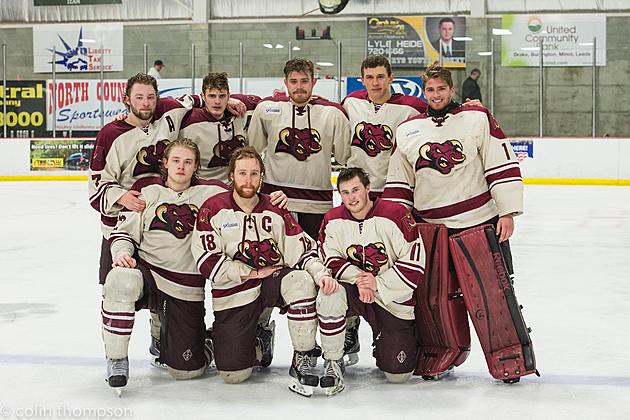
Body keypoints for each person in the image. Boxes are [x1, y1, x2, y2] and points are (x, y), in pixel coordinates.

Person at [102, 138, 288, 389]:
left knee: (187, 371)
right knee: (119, 280)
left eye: (188, 162)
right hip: (149, 272)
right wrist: (122, 253)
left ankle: (218, 342)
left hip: (186, 289)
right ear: (165, 163)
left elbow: (248, 192)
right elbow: (123, 232)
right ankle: (116, 359)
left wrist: (273, 198)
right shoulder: (147, 193)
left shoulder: (213, 194)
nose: (181, 167)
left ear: (196, 167)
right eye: (176, 161)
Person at [89, 73, 246, 366]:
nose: (146, 103)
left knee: (168, 284)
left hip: (169, 220)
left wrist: (233, 101)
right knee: (120, 287)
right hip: (130, 221)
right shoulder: (111, 134)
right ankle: (116, 356)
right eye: (139, 97)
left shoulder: (170, 113)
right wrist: (120, 197)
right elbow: (95, 188)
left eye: (151, 97)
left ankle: (162, 333)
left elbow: (201, 99)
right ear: (126, 99)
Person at [191, 146, 339, 397]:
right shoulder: (213, 208)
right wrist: (249, 273)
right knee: (233, 375)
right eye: (242, 174)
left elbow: (301, 249)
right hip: (234, 291)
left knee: (301, 280)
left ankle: (302, 355)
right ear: (232, 176)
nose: (248, 180)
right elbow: (206, 260)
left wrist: (320, 273)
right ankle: (258, 339)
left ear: (262, 176)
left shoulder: (275, 207)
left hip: (272, 280)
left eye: (254, 174)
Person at [383, 63, 523, 269]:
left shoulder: (477, 117)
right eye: (430, 89)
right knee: (439, 295)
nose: (436, 94)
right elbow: (400, 183)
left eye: (441, 88)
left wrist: (507, 212)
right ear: (424, 92)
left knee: (495, 295)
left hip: (480, 221)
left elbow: (499, 164)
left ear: (452, 89)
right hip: (431, 228)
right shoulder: (407, 129)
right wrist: (395, 224)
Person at [316, 167, 426, 395]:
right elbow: (329, 258)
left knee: (398, 374)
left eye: (356, 190)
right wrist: (359, 279)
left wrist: (378, 283)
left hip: (391, 299)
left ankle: (387, 339)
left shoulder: (395, 214)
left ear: (368, 189)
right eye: (345, 192)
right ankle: (333, 360)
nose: (351, 197)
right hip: (355, 290)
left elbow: (415, 261)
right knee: (329, 293)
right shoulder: (332, 219)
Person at [248, 58, 351, 240]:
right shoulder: (266, 109)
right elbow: (253, 151)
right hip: (274, 200)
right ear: (285, 82)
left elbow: (344, 158)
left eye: (304, 81)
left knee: (315, 255)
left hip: (317, 204)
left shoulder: (333, 113)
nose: (299, 87)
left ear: (314, 82)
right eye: (293, 82)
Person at [180, 72, 260, 183]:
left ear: (229, 96)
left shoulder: (241, 109)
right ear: (203, 96)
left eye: (222, 96)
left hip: (237, 186)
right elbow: (176, 102)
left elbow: (268, 103)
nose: (217, 101)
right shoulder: (189, 120)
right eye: (212, 96)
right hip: (203, 187)